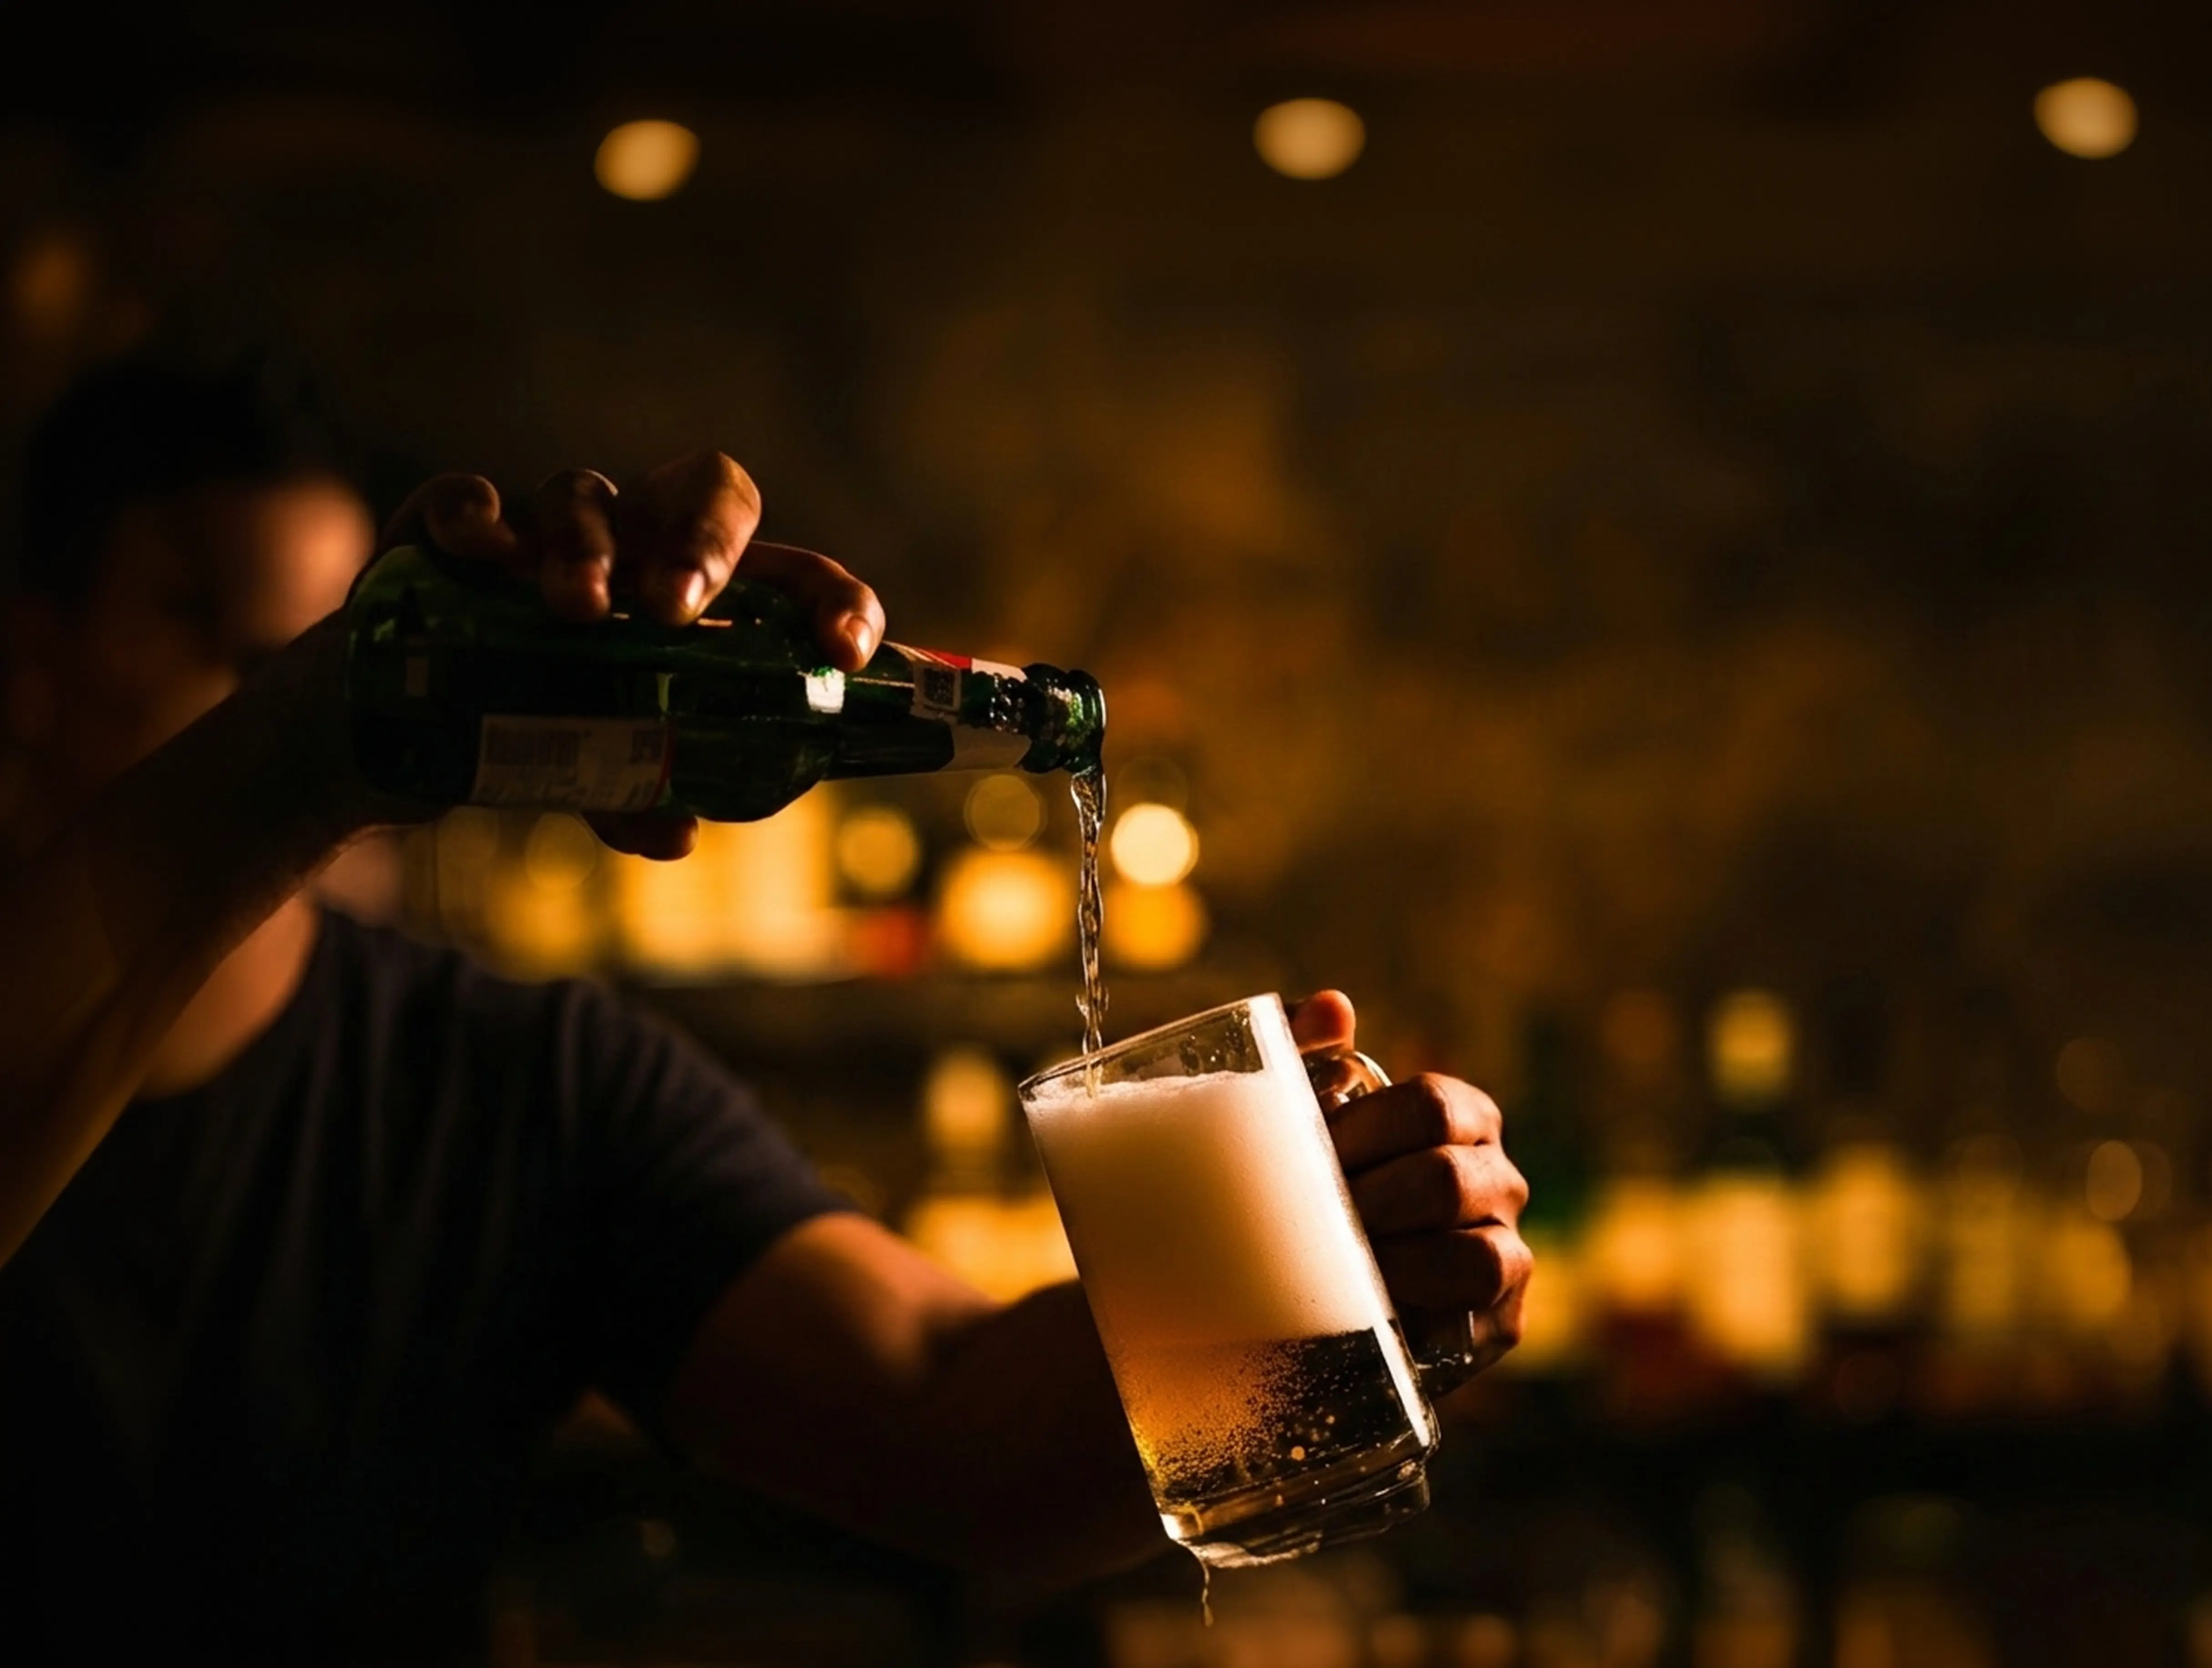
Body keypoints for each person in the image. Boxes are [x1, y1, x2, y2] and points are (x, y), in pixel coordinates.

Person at [0, 353, 1534, 1662]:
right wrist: (311, 743)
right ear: (32, 660)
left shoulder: (515, 1083)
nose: (274, 673)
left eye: (311, 636)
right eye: (213, 630)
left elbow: (959, 1430)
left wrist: (1344, 1271)